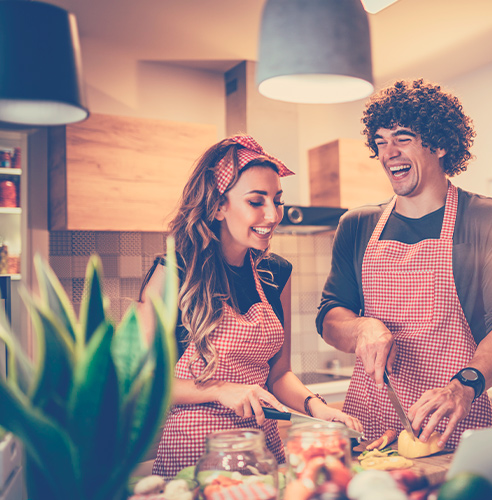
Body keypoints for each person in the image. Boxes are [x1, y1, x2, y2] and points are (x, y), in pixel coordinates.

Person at [316, 79, 492, 451]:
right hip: (368, 428)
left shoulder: (490, 219)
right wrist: (362, 328)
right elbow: (329, 317)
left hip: (453, 424)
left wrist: (462, 386)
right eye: (381, 141)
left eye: (402, 138)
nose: (389, 153)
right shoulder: (357, 225)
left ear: (441, 143)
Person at [139, 135, 362, 476]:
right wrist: (219, 390)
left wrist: (317, 408)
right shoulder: (173, 273)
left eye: (277, 200)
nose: (273, 215)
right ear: (218, 206)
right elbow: (140, 381)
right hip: (196, 456)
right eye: (256, 201)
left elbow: (279, 374)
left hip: (262, 450)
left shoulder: (276, 274)